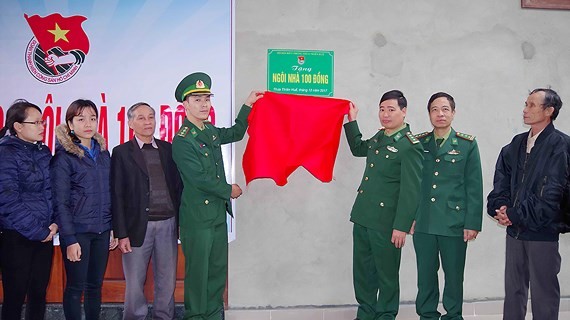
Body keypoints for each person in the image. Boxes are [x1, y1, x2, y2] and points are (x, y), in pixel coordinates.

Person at [171, 72, 262, 320]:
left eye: (207, 99)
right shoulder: (182, 141)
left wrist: (248, 105)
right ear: (185, 105)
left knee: (216, 272)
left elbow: (236, 133)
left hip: (216, 217)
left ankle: (212, 315)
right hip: (197, 219)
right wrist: (228, 190)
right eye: (197, 100)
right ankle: (196, 317)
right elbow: (198, 179)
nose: (204, 105)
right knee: (199, 274)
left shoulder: (209, 130)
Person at [487, 88, 570, 320]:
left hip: (542, 231)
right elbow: (502, 180)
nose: (525, 109)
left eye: (532, 105)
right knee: (513, 292)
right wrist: (500, 208)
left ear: (549, 111)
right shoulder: (516, 144)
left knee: (543, 293)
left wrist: (515, 214)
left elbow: (552, 193)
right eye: (526, 104)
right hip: (515, 231)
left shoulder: (560, 145)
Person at [344, 90, 423, 320]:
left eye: (391, 109)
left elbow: (411, 191)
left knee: (386, 276)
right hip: (363, 216)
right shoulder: (380, 138)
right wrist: (352, 120)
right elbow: (359, 148)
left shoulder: (410, 146)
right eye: (382, 109)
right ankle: (366, 314)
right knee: (363, 273)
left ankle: (386, 315)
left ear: (404, 111)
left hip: (387, 223)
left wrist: (401, 226)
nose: (385, 115)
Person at [413, 92, 483, 320]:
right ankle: (427, 315)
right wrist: (408, 217)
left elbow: (474, 186)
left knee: (453, 275)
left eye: (445, 109)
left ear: (453, 113)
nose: (440, 114)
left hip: (454, 223)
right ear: (429, 114)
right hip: (423, 221)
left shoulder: (467, 144)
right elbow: (411, 184)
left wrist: (472, 223)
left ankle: (453, 315)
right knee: (425, 275)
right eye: (434, 109)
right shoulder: (418, 143)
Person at [111, 102, 182, 320]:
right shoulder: (122, 152)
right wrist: (121, 233)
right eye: (141, 118)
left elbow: (177, 187)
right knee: (134, 282)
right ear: (130, 123)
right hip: (136, 227)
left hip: (168, 224)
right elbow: (117, 194)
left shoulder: (167, 149)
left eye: (151, 117)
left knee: (166, 279)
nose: (147, 122)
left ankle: (164, 316)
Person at [51, 99, 118, 320]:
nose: (88, 123)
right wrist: (69, 239)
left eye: (92, 118)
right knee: (75, 287)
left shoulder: (103, 153)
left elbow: (110, 194)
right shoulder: (64, 157)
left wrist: (111, 229)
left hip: (101, 231)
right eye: (80, 119)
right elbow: (60, 202)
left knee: (94, 286)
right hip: (78, 233)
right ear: (70, 124)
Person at [0, 100, 57, 320]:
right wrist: (38, 231)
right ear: (18, 126)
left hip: (44, 234)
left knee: (38, 294)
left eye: (43, 121)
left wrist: (54, 223)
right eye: (36, 122)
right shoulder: (6, 154)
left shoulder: (44, 152)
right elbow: (7, 199)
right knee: (15, 296)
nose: (42, 126)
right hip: (17, 237)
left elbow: (51, 191)